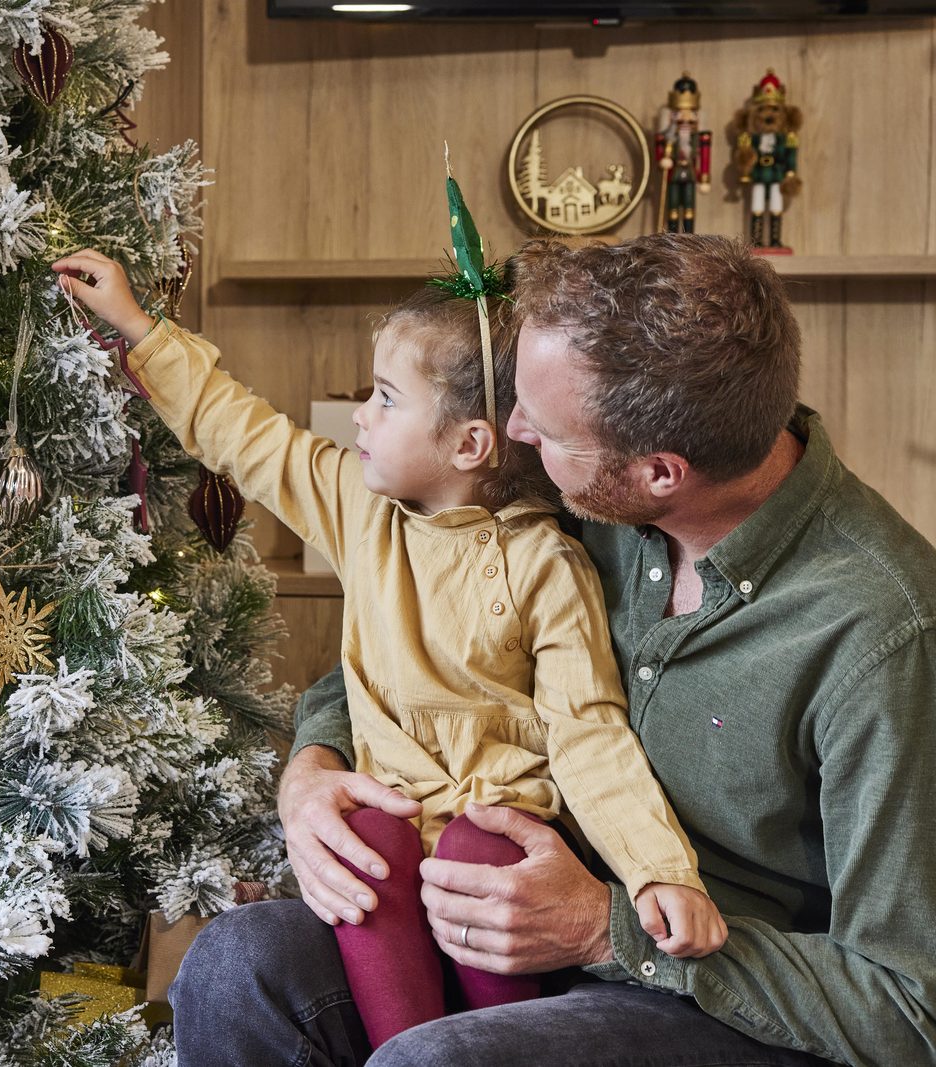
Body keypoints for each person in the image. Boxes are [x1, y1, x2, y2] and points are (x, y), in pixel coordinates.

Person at [169, 233, 936, 1067]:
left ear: (659, 472)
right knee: (234, 965)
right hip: (494, 899)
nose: (512, 431)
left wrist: (605, 933)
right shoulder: (574, 492)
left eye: (543, 423)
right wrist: (312, 768)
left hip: (715, 996)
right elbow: (424, 653)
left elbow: (908, 1003)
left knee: (434, 1061)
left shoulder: (882, 635)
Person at [48, 239, 724, 1050]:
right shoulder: (359, 509)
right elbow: (244, 434)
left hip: (495, 839)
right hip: (390, 829)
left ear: (471, 444)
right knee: (370, 842)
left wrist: (661, 870)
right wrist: (136, 324)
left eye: (385, 398)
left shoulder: (550, 565)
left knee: (486, 844)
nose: (359, 416)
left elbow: (590, 733)